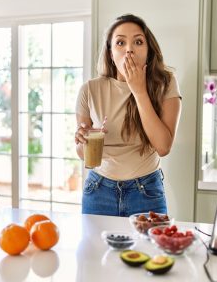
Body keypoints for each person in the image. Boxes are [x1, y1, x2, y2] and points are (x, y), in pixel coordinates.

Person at [74, 14, 182, 216]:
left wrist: (139, 90)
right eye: (120, 42)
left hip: (146, 192)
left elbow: (163, 146)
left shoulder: (165, 83)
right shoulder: (90, 90)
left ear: (149, 51)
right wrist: (82, 140)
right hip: (98, 191)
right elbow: (84, 155)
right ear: (111, 52)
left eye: (138, 42)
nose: (129, 49)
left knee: (149, 249)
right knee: (97, 249)